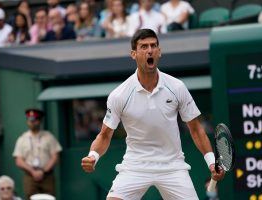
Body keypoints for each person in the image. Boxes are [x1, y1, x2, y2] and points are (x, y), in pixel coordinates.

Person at [81, 29, 225, 199]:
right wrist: (93, 156)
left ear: (159, 52)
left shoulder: (177, 87)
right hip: (136, 166)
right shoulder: (119, 95)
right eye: (143, 47)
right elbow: (105, 135)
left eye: (153, 46)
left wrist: (210, 162)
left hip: (172, 166)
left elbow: (196, 130)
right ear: (133, 54)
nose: (150, 50)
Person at [13, 108, 62, 200]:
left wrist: (42, 171)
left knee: (49, 197)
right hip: (30, 176)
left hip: (47, 174)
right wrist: (33, 171)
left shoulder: (48, 136)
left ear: (39, 121)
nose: (32, 122)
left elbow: (55, 156)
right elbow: (18, 160)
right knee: (30, 197)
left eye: (35, 120)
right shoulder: (22, 138)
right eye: (30, 120)